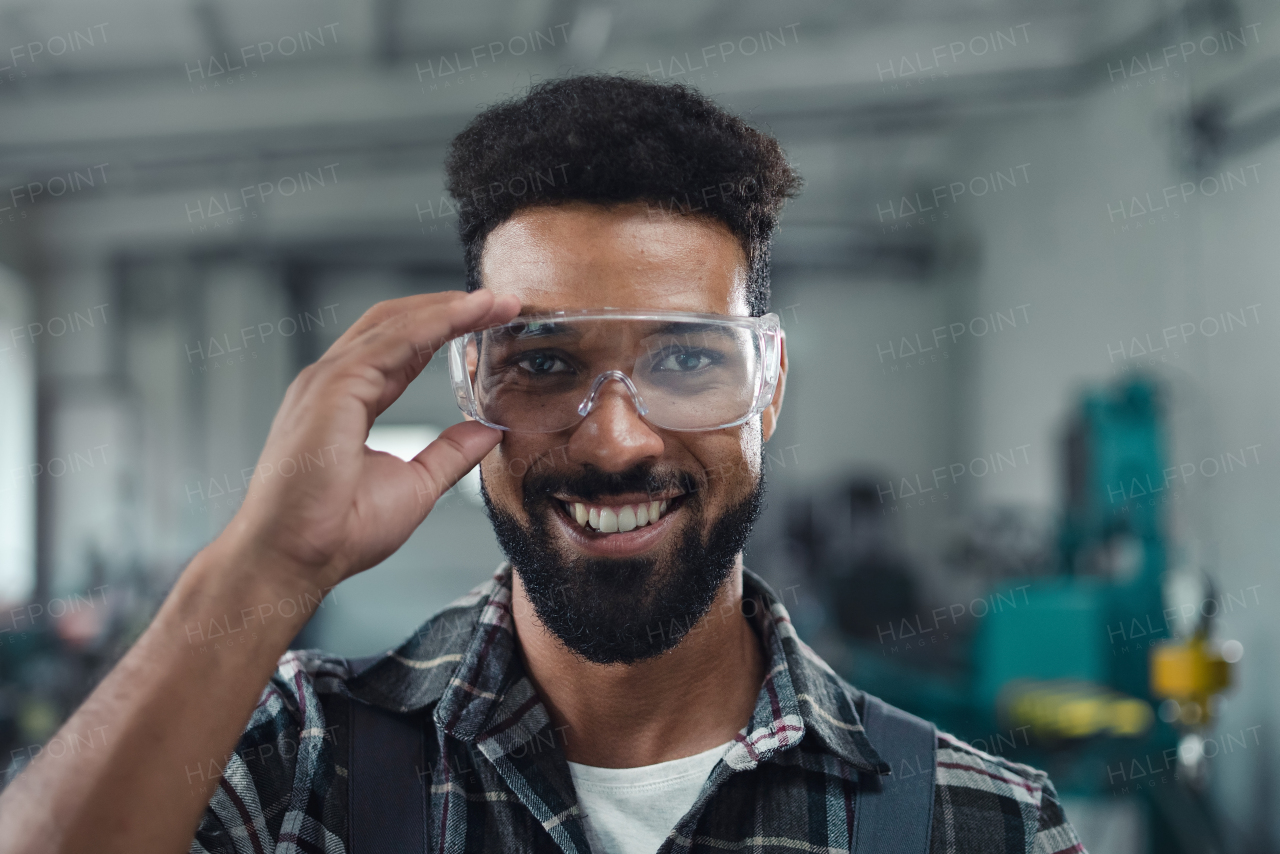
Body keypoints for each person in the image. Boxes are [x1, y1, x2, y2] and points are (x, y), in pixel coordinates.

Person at [0, 75, 1086, 854]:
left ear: (768, 384)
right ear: (467, 382)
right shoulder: (297, 767)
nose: (616, 439)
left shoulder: (973, 818)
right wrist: (262, 564)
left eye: (684, 359)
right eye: (544, 361)